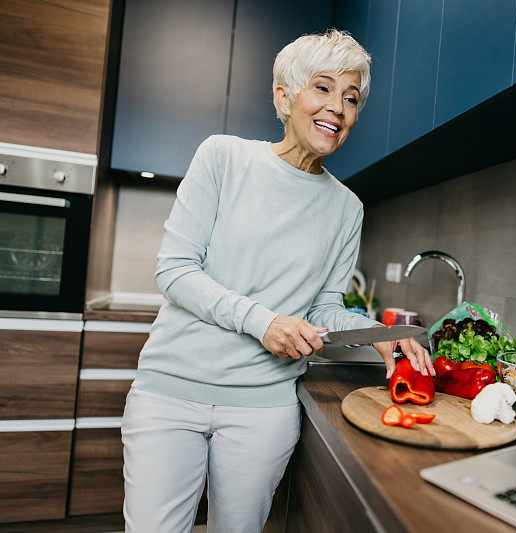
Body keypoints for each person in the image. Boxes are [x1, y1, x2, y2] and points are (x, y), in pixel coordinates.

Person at [121, 29, 435, 532]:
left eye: (351, 97)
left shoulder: (347, 208)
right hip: (170, 394)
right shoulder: (223, 158)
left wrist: (378, 332)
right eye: (323, 87)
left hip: (262, 409)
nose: (338, 107)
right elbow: (174, 270)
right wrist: (263, 323)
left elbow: (324, 306)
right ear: (283, 96)